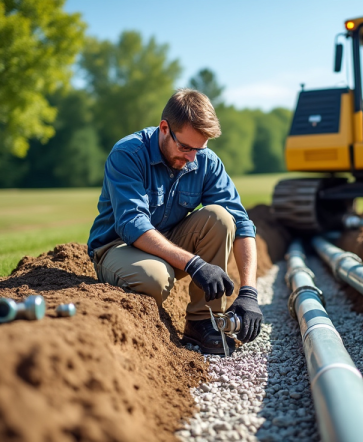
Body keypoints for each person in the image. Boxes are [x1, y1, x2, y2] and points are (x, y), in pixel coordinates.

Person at [87, 89, 262, 355]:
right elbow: (133, 224)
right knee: (155, 278)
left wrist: (249, 292)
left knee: (221, 218)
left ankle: (204, 321)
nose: (192, 157)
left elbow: (242, 223)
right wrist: (193, 263)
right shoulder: (128, 154)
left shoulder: (204, 160)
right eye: (185, 147)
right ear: (165, 128)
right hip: (118, 246)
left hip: (169, 242)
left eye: (199, 149)